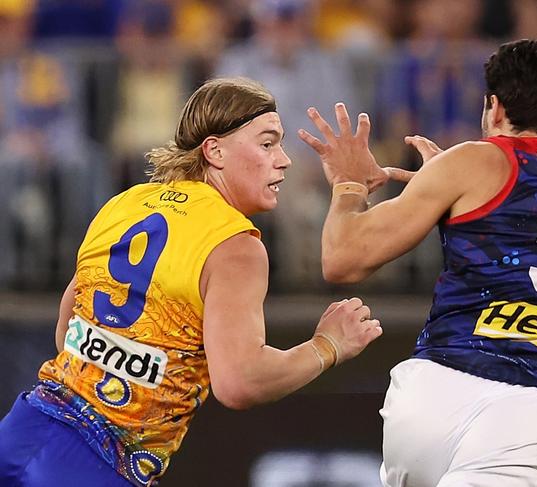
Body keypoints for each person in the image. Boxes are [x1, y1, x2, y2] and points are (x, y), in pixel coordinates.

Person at [0, 77, 383, 487]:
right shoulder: (234, 245)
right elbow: (239, 383)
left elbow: (66, 331)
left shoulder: (124, 203)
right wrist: (327, 346)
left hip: (23, 428)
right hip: (91, 467)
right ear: (214, 150)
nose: (284, 159)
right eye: (268, 143)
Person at [299, 39, 537, 486]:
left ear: (494, 108)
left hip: (432, 394)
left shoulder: (472, 162)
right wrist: (458, 196)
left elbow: (342, 259)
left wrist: (348, 184)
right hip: (533, 411)